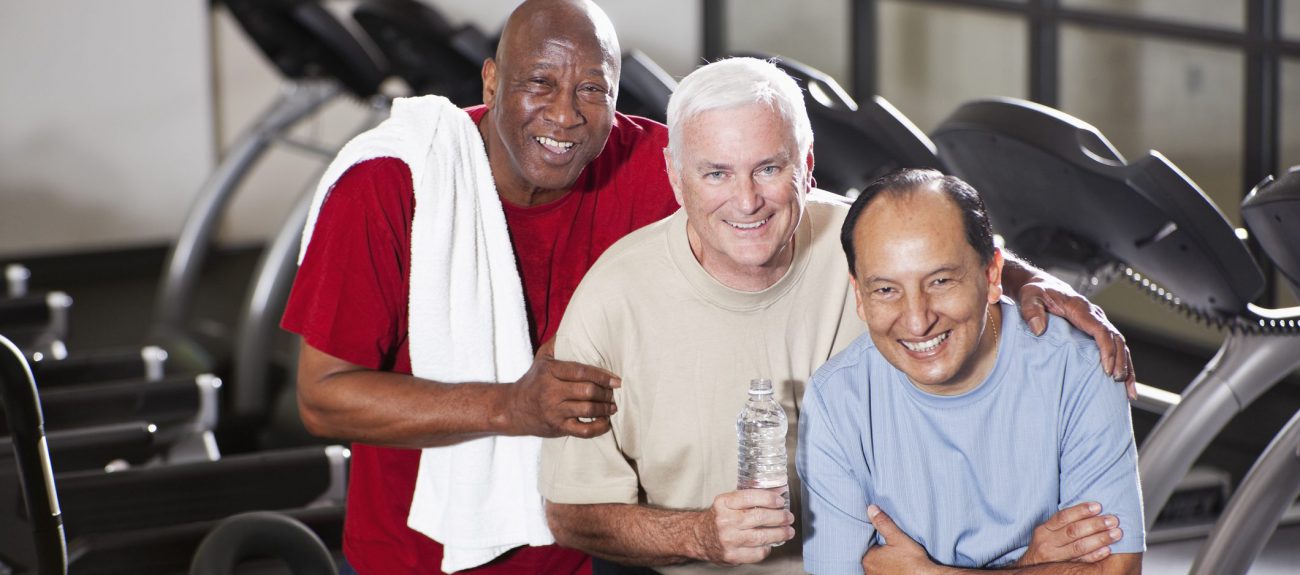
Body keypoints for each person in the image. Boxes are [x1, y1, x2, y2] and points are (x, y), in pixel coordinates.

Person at [539, 58, 1136, 575]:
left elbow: (946, 250)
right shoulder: (612, 300)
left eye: (769, 168)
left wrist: (1037, 281)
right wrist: (698, 536)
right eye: (716, 173)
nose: (747, 201)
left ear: (807, 162)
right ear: (674, 174)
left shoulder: (860, 241)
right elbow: (571, 512)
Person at [280, 0, 683, 573]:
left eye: (593, 90)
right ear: (491, 82)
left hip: (578, 549)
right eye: (540, 82)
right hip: (414, 556)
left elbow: (776, 196)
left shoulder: (649, 165)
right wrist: (512, 406)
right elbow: (322, 397)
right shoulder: (392, 183)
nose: (565, 114)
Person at [799, 169, 1144, 574]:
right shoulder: (836, 399)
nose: (916, 321)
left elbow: (1114, 572)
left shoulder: (1080, 367)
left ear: (992, 275)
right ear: (860, 295)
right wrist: (1033, 566)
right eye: (886, 290)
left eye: (941, 281)